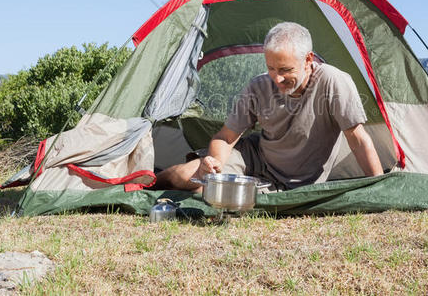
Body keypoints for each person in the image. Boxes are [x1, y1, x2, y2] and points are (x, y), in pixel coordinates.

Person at [155, 22, 383, 191]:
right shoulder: (259, 86)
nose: (277, 78)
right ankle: (150, 183)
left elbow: (358, 139)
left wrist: (380, 187)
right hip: (256, 160)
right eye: (271, 68)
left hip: (298, 181)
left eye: (285, 70)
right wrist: (213, 166)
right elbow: (225, 137)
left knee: (204, 192)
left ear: (308, 60)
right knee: (188, 177)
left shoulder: (333, 82)